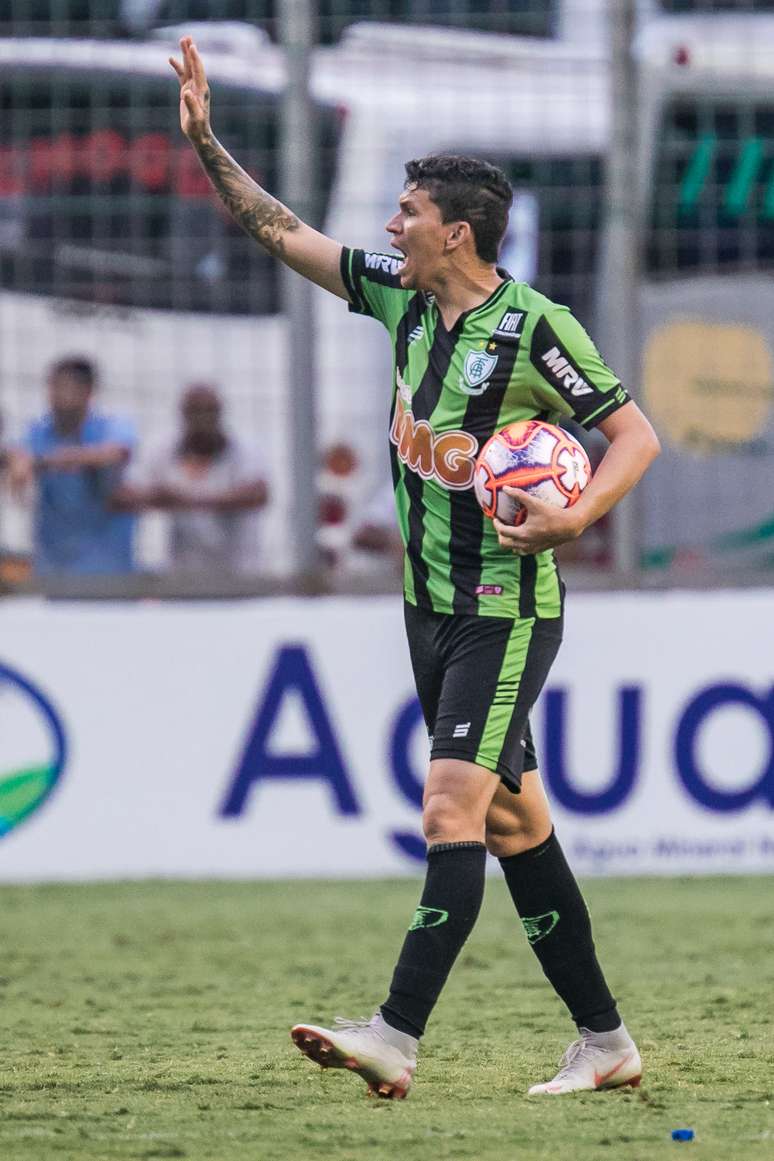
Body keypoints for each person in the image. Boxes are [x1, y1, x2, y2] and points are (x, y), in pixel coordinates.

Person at [170, 37, 661, 1099]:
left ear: (458, 233)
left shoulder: (536, 329)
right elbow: (284, 232)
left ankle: (395, 1034)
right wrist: (208, 145)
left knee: (448, 808)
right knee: (513, 823)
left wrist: (571, 515)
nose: (389, 227)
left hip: (506, 608)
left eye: (405, 213)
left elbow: (636, 438)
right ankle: (607, 1044)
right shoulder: (400, 296)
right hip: (425, 607)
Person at [115, 383, 268, 575]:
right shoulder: (163, 448)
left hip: (240, 574)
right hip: (182, 576)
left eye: (208, 411)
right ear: (183, 414)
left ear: (220, 413)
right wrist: (157, 498)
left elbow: (258, 495)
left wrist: (186, 499)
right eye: (195, 411)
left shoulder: (244, 449)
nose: (202, 419)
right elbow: (123, 496)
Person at [8, 357, 136, 576]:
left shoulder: (111, 427)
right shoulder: (38, 431)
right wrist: (18, 467)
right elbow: (18, 456)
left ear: (87, 391)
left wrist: (45, 461)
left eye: (64, 386)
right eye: (52, 385)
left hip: (107, 566)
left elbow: (115, 453)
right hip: (54, 566)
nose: (55, 394)